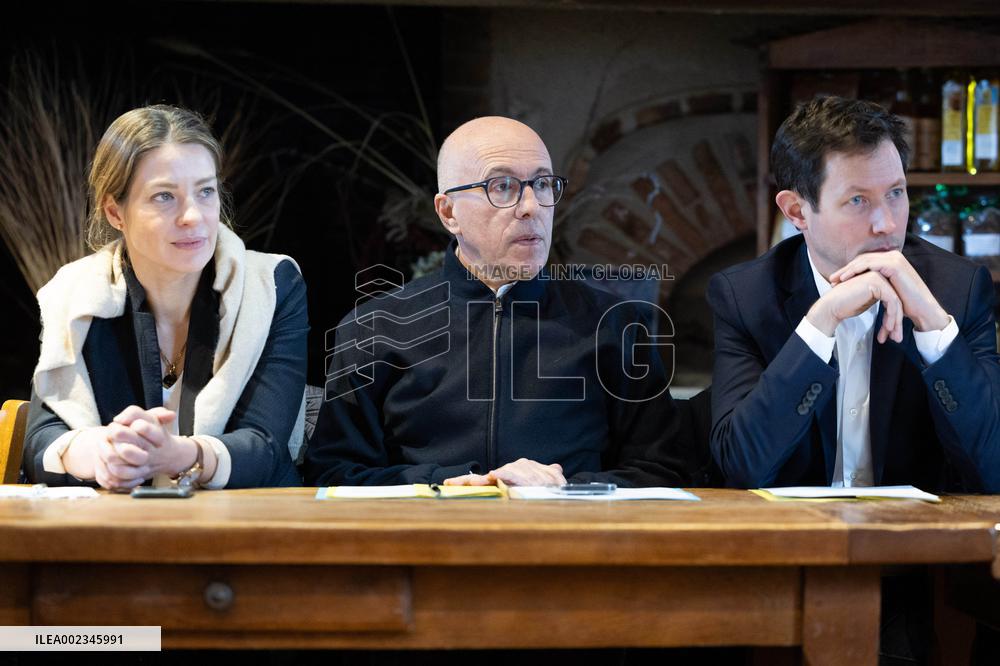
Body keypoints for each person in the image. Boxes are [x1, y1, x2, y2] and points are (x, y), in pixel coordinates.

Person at [305, 116, 686, 488]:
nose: (531, 206)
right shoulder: (376, 327)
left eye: (542, 184)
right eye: (502, 186)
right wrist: (452, 484)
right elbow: (334, 473)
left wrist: (561, 489)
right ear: (448, 212)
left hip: (570, 543)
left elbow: (664, 469)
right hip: (425, 543)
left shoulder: (614, 324)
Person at [708, 95, 1000, 493]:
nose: (887, 223)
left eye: (896, 193)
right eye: (858, 200)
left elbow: (994, 469)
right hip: (795, 541)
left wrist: (935, 329)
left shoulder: (958, 290)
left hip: (917, 544)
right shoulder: (745, 297)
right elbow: (742, 467)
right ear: (796, 211)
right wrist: (820, 323)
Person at [23, 104, 308, 490]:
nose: (193, 215)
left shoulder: (272, 284)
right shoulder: (74, 294)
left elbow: (267, 446)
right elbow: (42, 443)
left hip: (251, 529)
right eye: (164, 197)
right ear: (114, 212)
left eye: (205, 191)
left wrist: (180, 457)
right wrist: (100, 452)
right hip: (120, 531)